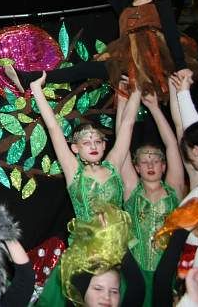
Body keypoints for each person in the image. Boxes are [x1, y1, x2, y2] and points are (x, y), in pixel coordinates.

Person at [7, 0, 198, 97]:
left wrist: (181, 66)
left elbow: (171, 34)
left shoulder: (160, 6)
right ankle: (31, 77)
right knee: (84, 69)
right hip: (127, 62)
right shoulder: (124, 6)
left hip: (154, 60)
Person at [31, 73, 140, 307]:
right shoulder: (75, 172)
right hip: (85, 248)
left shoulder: (113, 166)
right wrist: (37, 89)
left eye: (98, 141)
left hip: (118, 245)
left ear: (104, 145)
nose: (93, 146)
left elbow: (128, 124)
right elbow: (53, 127)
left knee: (136, 288)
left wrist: (139, 85)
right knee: (78, 298)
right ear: (75, 149)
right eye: (86, 142)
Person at [120, 92, 185, 306]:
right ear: (137, 167)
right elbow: (122, 144)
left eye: (156, 160)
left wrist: (155, 108)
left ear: (164, 166)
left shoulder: (174, 190)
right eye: (144, 161)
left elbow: (172, 145)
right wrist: (123, 102)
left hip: (168, 275)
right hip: (133, 275)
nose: (150, 165)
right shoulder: (131, 191)